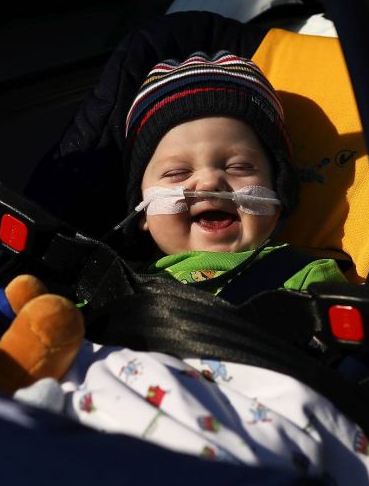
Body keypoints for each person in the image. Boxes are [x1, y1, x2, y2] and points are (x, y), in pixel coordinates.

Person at [117, 51, 346, 300]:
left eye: (239, 167)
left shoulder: (304, 278)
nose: (209, 183)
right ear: (141, 211)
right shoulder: (116, 285)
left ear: (279, 192)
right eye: (177, 173)